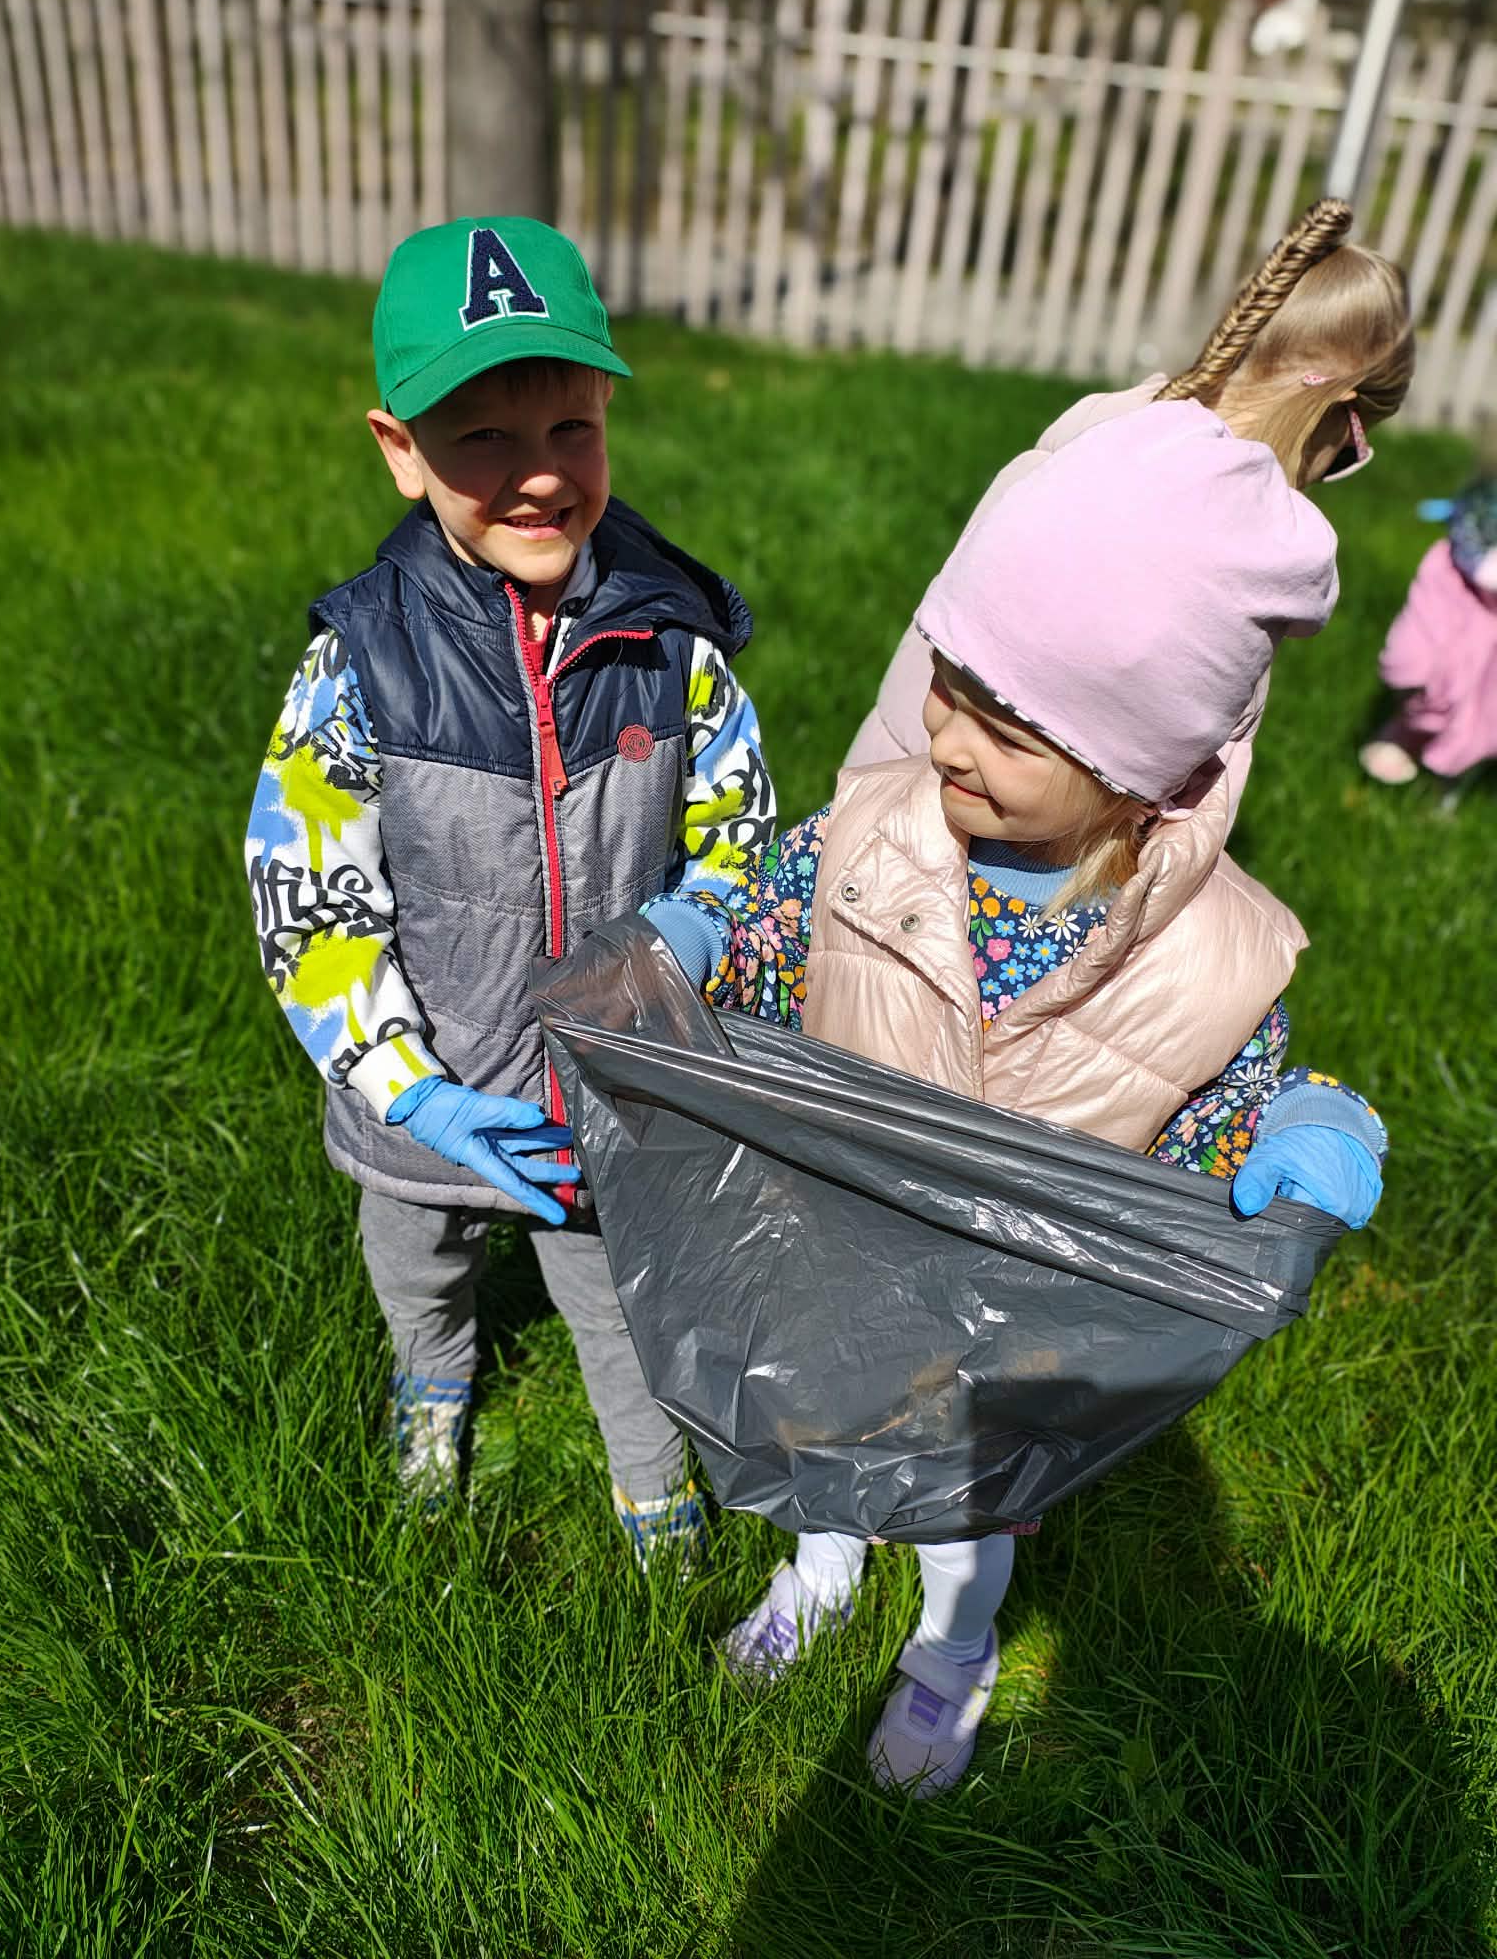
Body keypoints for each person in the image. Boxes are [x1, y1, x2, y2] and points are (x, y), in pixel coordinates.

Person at [638, 401, 1385, 1798]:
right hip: (834, 1250)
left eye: (1009, 725)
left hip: (1007, 1330)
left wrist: (1308, 1126)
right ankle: (821, 1566)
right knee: (817, 1435)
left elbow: (1230, 1104)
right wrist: (700, 938)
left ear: (1144, 773)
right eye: (949, 678)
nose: (949, 737)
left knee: (963, 1521)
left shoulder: (1205, 960)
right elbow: (773, 927)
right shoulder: (875, 828)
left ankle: (952, 1648)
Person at [245, 217, 776, 1558]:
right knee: (415, 1260)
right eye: (482, 437)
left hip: (603, 1083)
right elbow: (309, 890)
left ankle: (652, 1478)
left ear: (607, 419)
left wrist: (703, 916)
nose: (538, 473)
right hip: (427, 1082)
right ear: (399, 448)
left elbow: (741, 829)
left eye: (570, 429)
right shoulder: (362, 663)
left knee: (618, 1295)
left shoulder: (669, 643)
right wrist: (406, 1085)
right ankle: (433, 1379)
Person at [847, 197, 1414, 789]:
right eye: (1352, 450)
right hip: (1009, 813)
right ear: (1340, 403)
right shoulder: (1256, 547)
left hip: (903, 743)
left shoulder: (1109, 421)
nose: (1335, 470)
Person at [1360, 474, 1497, 786]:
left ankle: (1454, 764)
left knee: (1487, 697)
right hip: (1463, 570)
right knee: (1414, 662)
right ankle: (1413, 726)